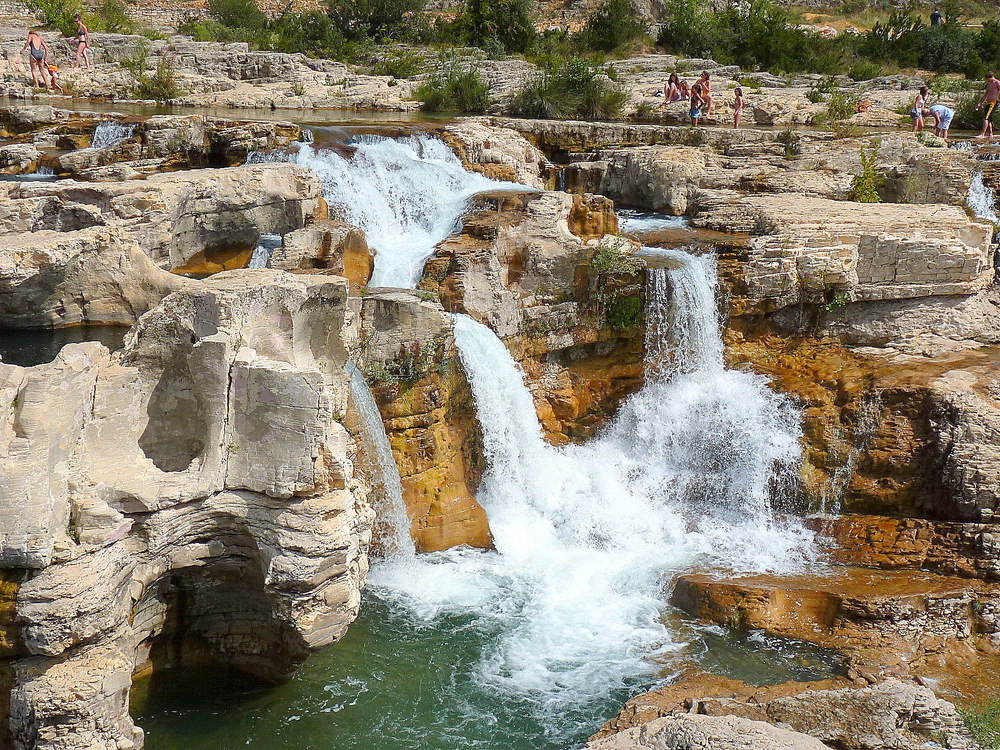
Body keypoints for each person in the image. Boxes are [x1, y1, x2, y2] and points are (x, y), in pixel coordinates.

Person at [977, 73, 1000, 139]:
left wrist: (997, 97)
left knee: (985, 118)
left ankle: (982, 134)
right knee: (989, 118)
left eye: (988, 79)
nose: (987, 80)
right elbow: (986, 94)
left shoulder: (997, 82)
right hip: (988, 102)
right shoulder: (989, 84)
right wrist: (980, 103)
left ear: (991, 77)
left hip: (993, 102)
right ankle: (990, 134)